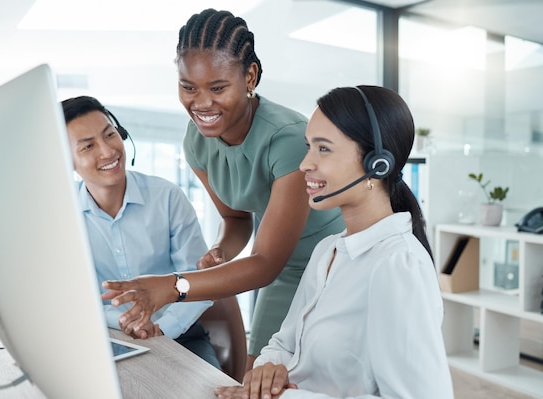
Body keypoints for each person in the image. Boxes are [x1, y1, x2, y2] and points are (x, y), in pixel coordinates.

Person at [101, 8, 345, 371]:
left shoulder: (288, 139)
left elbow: (264, 263)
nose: (201, 104)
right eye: (188, 87)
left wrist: (172, 286)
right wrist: (221, 249)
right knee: (259, 378)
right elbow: (236, 217)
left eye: (218, 88)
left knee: (309, 377)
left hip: (328, 264)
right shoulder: (197, 142)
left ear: (250, 76)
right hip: (273, 264)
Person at [213, 85, 454, 398]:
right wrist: (270, 368)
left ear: (376, 164)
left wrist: (285, 397)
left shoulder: (398, 265)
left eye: (323, 149)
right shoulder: (328, 251)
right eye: (308, 146)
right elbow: (284, 344)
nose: (305, 164)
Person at [61, 95, 220, 369]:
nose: (108, 151)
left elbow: (199, 283)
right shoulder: (62, 218)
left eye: (110, 135)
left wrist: (160, 329)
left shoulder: (167, 197)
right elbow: (69, 301)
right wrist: (126, 325)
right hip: (103, 338)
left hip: (179, 335)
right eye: (88, 146)